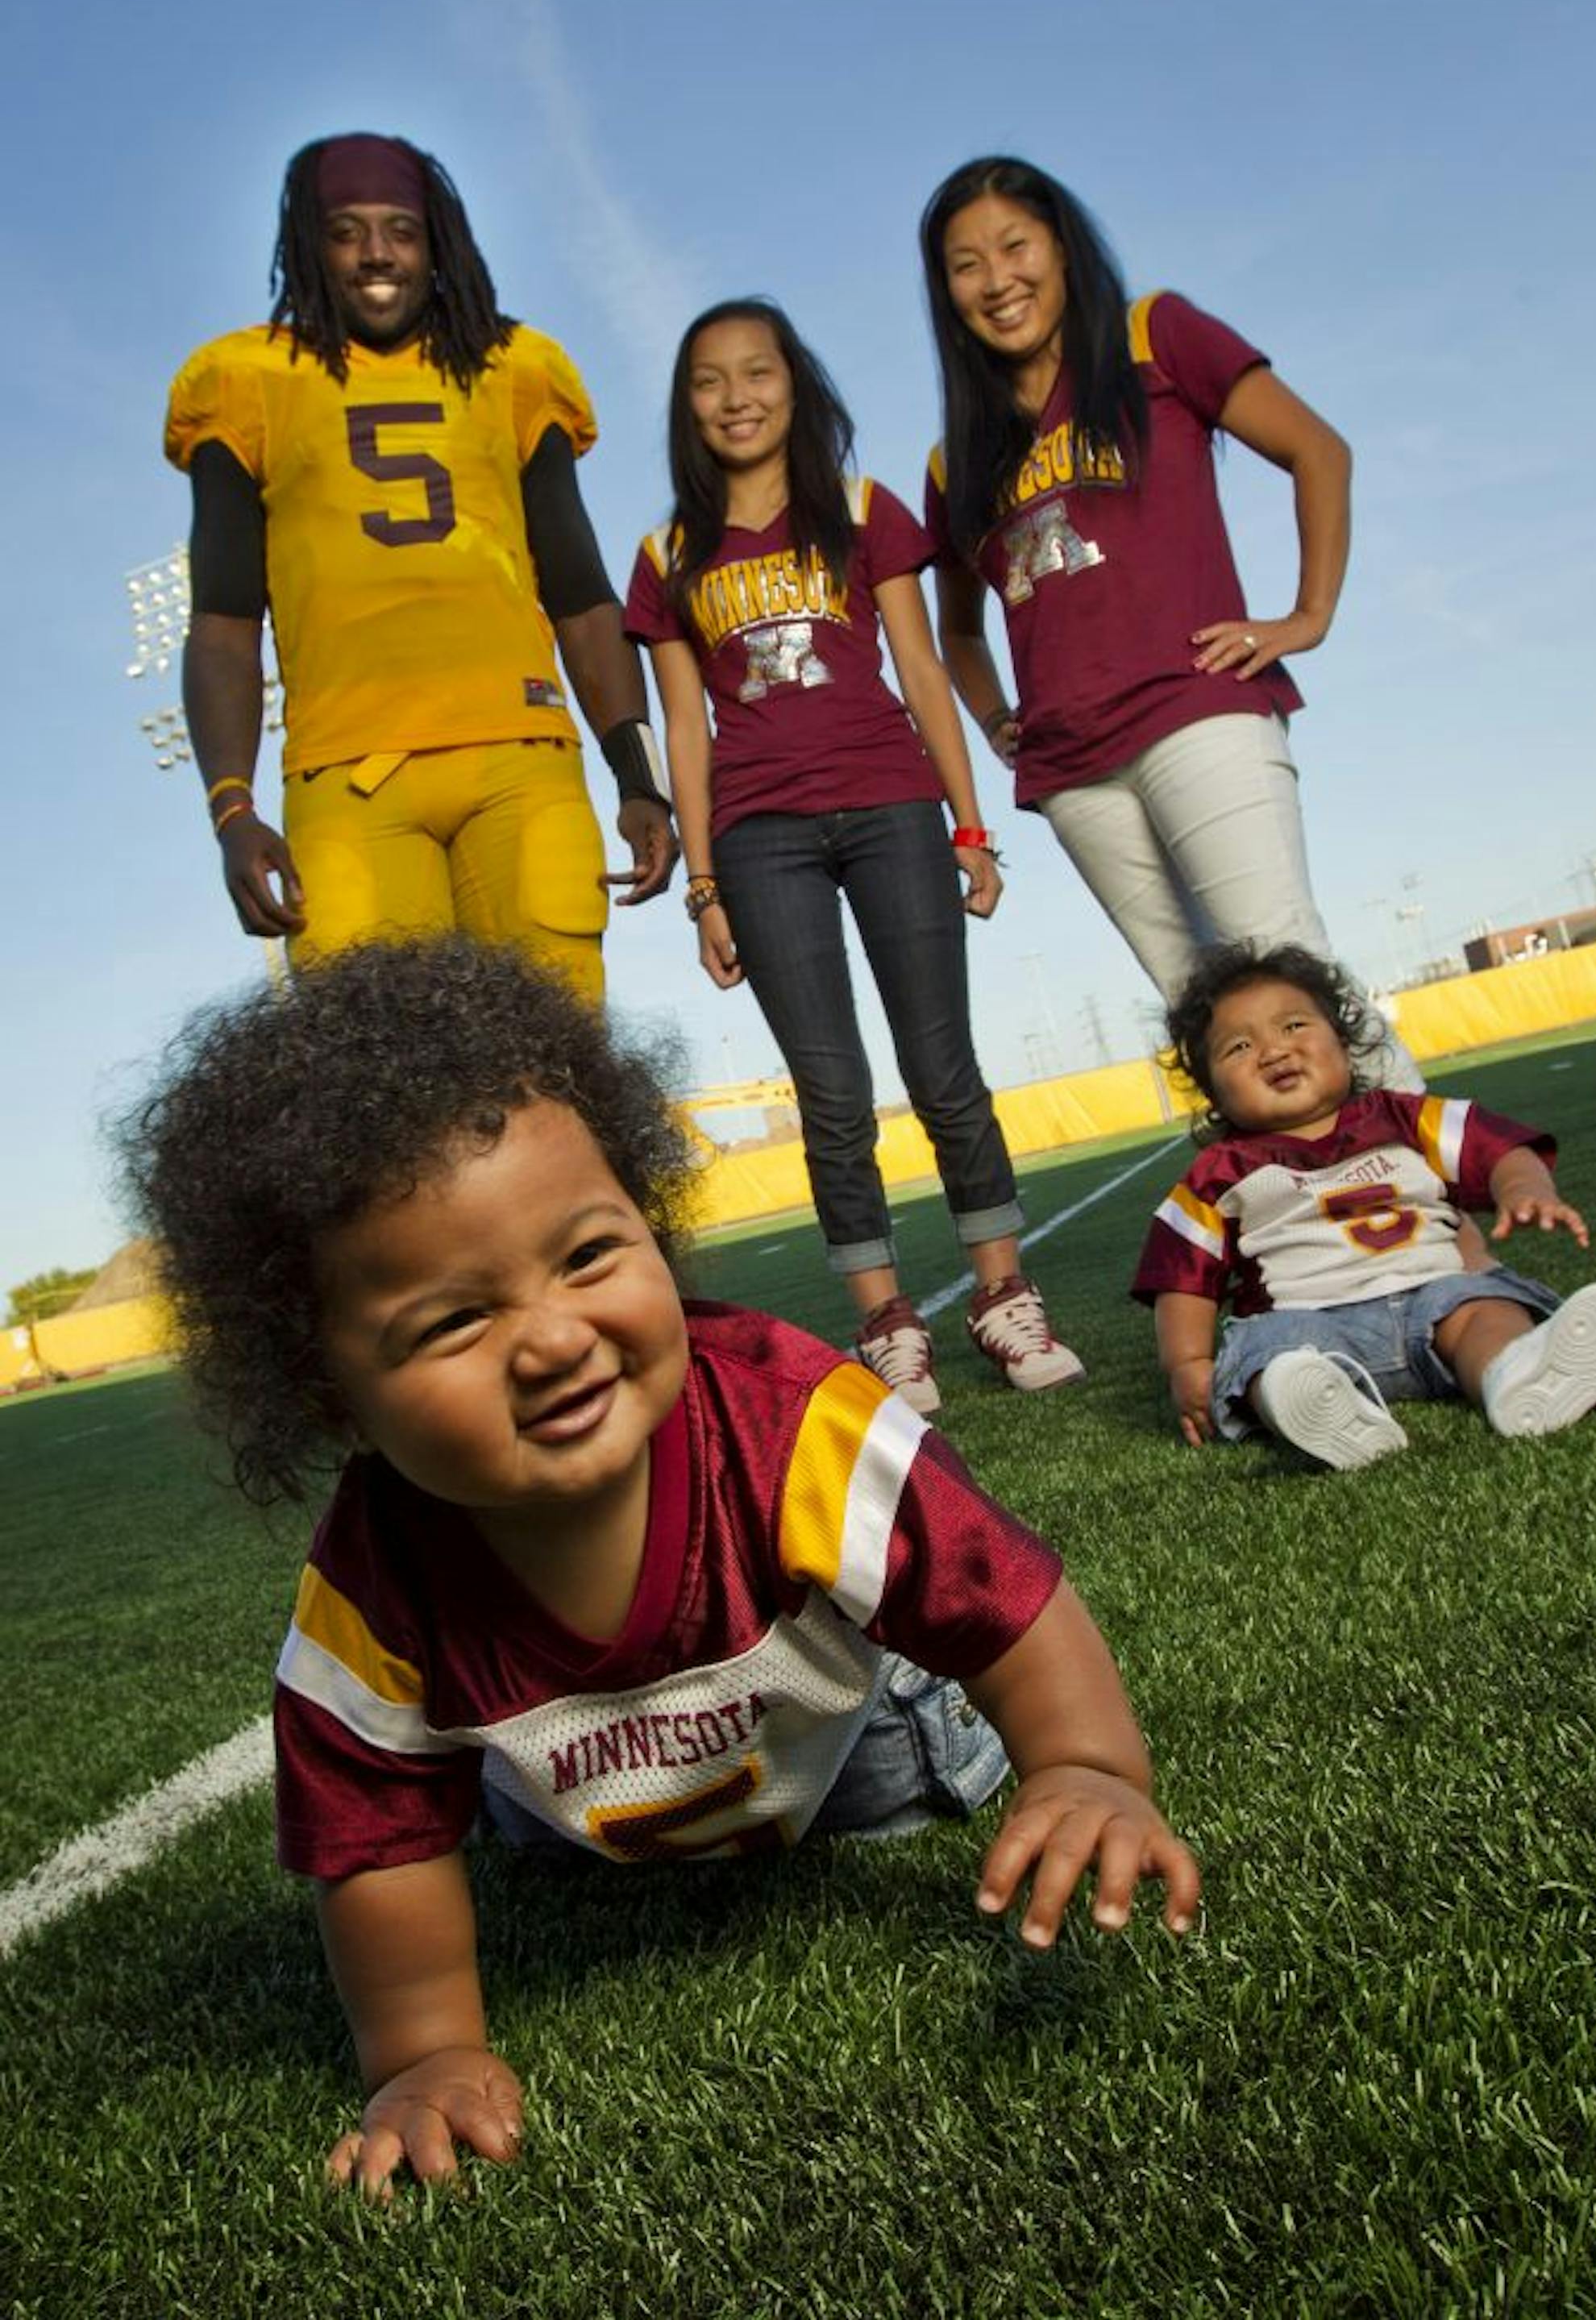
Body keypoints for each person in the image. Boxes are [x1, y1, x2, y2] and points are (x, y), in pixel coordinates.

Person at [121, 935, 1200, 2197]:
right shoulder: (371, 1591)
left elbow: (1002, 1599)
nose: (553, 1338)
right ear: (329, 1392)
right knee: (491, 1812)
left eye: (588, 1256)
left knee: (920, 1738)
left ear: (650, 1219)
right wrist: (424, 2051)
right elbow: (377, 1839)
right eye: (456, 1321)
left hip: (845, 1744)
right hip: (581, 1821)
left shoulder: (793, 1422)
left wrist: (1083, 1766)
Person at [623, 299, 1083, 1409]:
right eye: (709, 380)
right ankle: (886, 1324)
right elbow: (684, 728)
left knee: (944, 1068)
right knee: (831, 1091)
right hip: (758, 836)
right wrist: (702, 889)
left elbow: (924, 669)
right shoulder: (669, 552)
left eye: (759, 372)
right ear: (687, 406)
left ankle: (1002, 1296)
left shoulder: (864, 509)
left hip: (891, 807)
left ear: (797, 384)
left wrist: (969, 822)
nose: (737, 397)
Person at [917, 155, 1420, 1084]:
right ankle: (1298, 1225)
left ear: (1062, 248)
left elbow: (1319, 449)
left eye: (1015, 246)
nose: (997, 281)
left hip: (1199, 709)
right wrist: (997, 721)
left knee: (1289, 981)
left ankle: (1444, 1224)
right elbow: (958, 631)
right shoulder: (955, 460)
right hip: (1072, 768)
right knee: (1207, 1021)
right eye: (965, 265)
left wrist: (1305, 616)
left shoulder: (1155, 334)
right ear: (945, 292)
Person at [164, 131, 676, 999]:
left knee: (553, 1069)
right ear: (307, 246)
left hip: (519, 757)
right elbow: (221, 621)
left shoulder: (513, 366)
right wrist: (231, 808)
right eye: (347, 230)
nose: (376, 254)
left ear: (437, 243)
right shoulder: (246, 379)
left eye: (401, 230)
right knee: (381, 1099)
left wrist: (640, 782)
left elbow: (582, 597)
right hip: (347, 774)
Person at [1130, 942, 1596, 1469]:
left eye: (1293, 1026)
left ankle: (1515, 1375)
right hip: (1307, 1322)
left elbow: (1495, 1147)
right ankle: (1326, 1415)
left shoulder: (1404, 1118)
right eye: (1239, 1046)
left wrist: (1522, 1186)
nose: (1273, 1050)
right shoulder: (1218, 1173)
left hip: (1434, 1296)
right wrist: (1187, 1362)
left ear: (1343, 1038)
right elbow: (1183, 1277)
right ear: (1212, 1091)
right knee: (1274, 1356)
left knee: (1483, 1309)